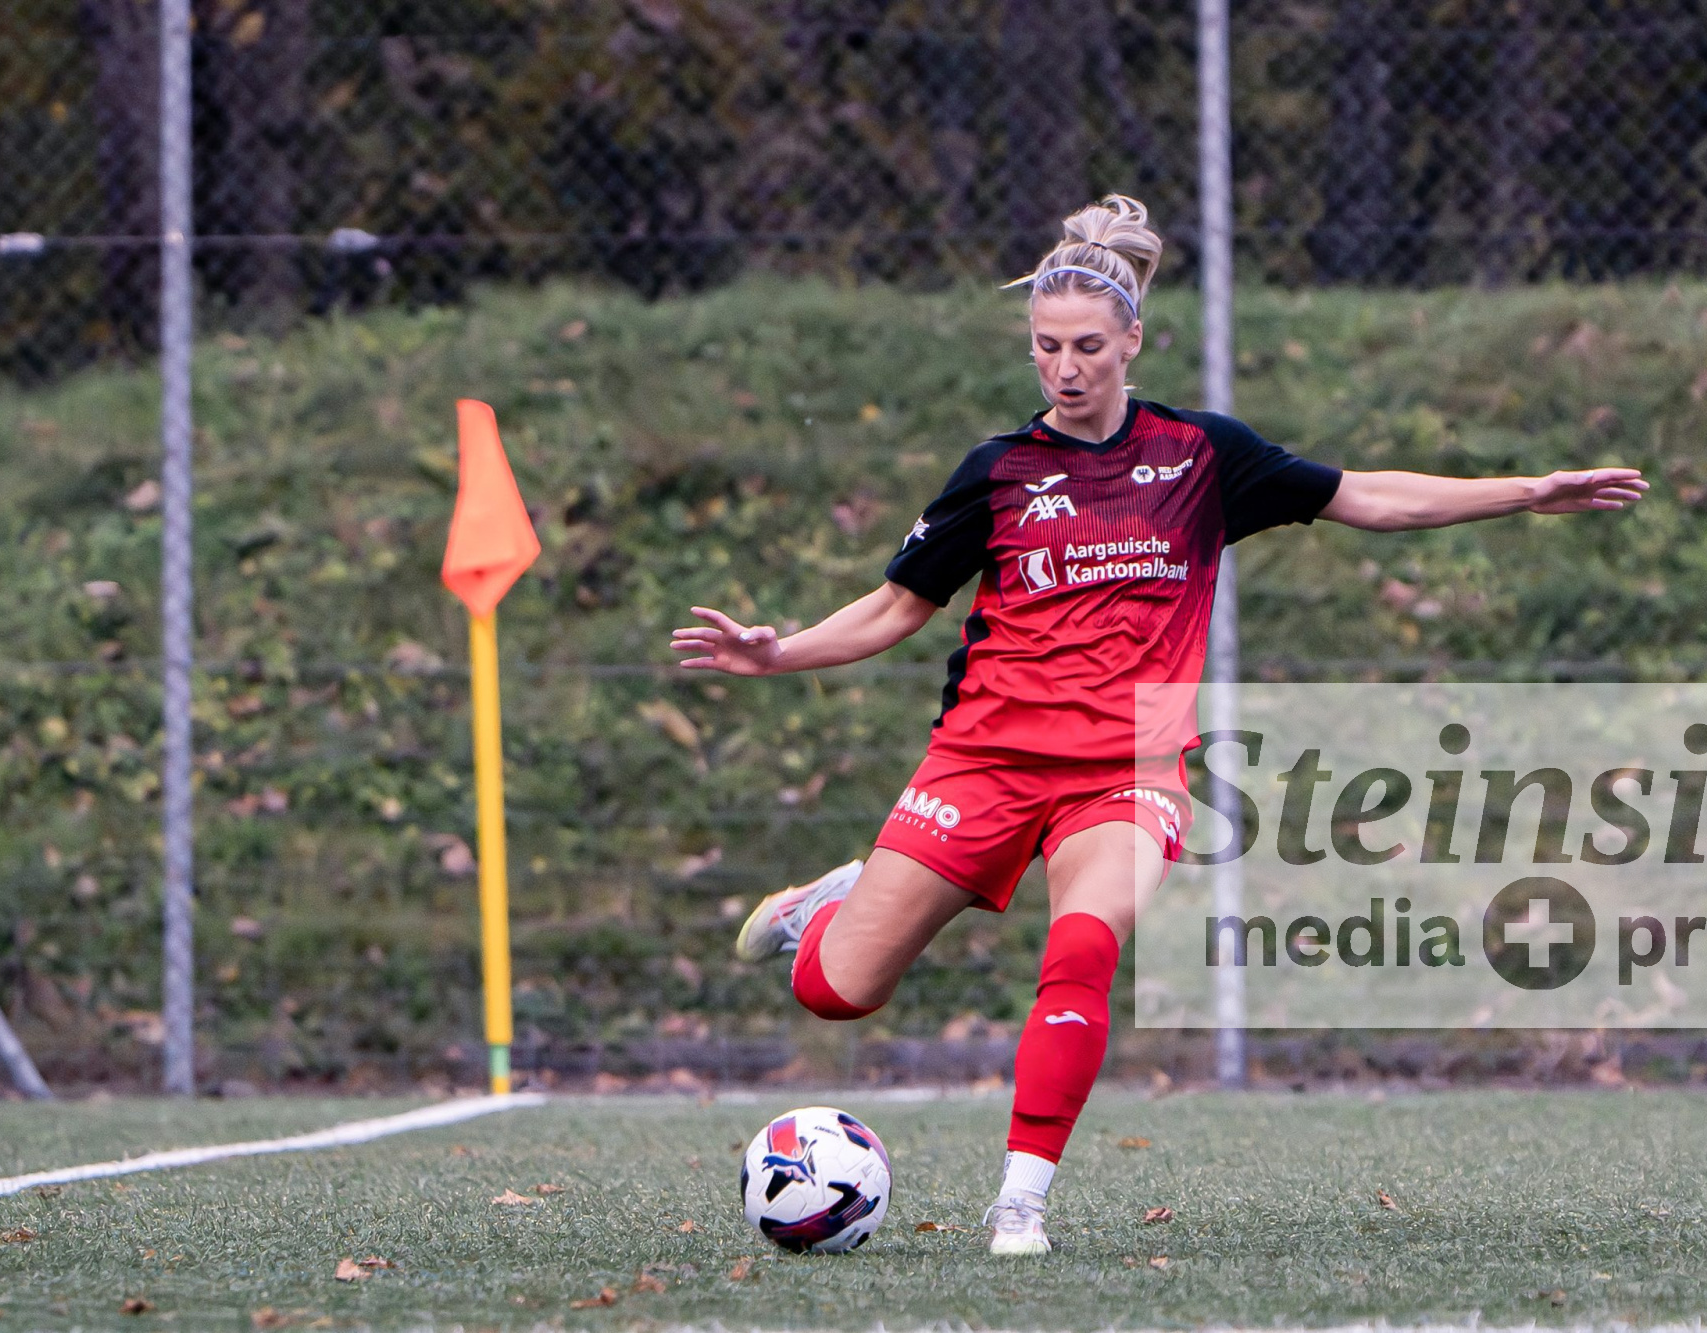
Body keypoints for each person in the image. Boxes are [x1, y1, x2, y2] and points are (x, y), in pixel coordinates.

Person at [669, 195, 1646, 1257]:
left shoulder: (1199, 456)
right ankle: (827, 906)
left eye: (1087, 347)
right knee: (836, 993)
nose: (1065, 368)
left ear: (1132, 340)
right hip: (984, 760)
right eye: (1046, 347)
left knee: (1083, 947)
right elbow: (897, 606)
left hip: (1124, 770)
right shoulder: (997, 472)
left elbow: (1367, 497)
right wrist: (780, 651)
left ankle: (1020, 1202)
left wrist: (1525, 491)